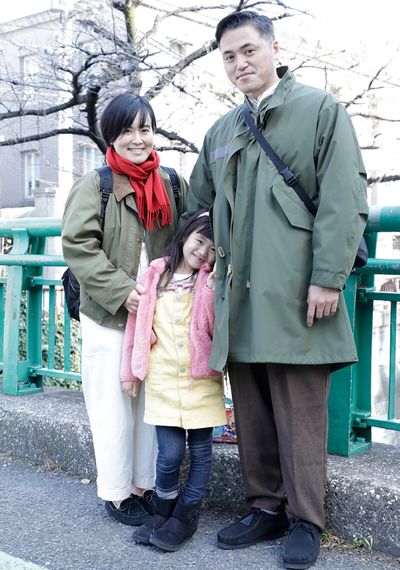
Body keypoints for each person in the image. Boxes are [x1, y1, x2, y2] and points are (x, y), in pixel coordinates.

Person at [182, 10, 369, 570]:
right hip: (238, 296)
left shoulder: (319, 110)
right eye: (229, 56)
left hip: (296, 291)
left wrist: (328, 278)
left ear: (273, 49)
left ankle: (306, 520)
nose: (240, 63)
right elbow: (198, 205)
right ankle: (264, 506)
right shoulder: (222, 130)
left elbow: (344, 198)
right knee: (252, 410)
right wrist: (195, 250)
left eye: (248, 50)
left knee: (300, 410)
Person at [62, 93, 187, 526]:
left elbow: (189, 235)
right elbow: (79, 246)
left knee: (152, 405)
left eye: (145, 129)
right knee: (112, 406)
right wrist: (122, 291)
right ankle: (116, 494)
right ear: (111, 136)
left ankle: (143, 486)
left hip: (157, 312)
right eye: (127, 130)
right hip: (109, 312)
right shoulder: (95, 185)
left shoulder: (171, 182)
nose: (138, 138)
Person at [120, 210, 226, 551]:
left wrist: (214, 285)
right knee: (169, 454)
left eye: (212, 248)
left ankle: (186, 515)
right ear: (185, 234)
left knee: (201, 452)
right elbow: (136, 326)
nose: (203, 253)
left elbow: (214, 324)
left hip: (201, 381)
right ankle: (163, 510)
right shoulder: (155, 273)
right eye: (200, 241)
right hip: (163, 380)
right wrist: (130, 372)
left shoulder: (209, 279)